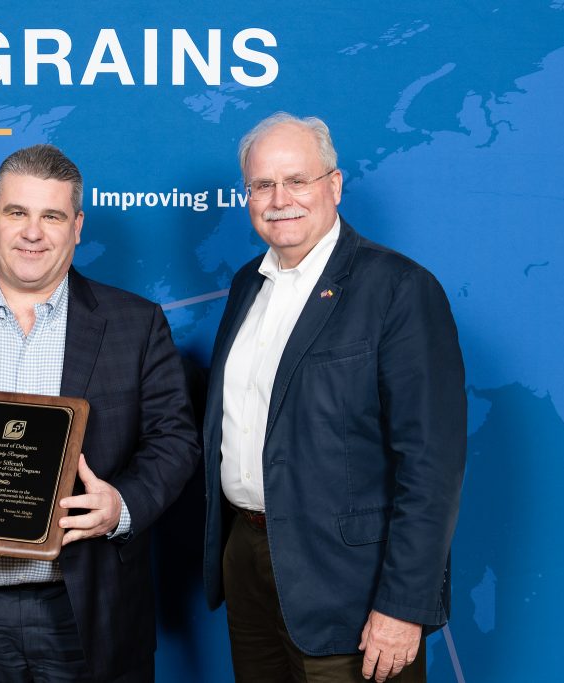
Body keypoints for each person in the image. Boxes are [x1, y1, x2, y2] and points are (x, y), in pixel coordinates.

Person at [0, 144, 200, 682]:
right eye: (17, 212)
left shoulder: (135, 322)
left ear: (76, 227)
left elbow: (175, 439)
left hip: (85, 608)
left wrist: (121, 505)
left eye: (52, 216)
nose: (32, 233)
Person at [202, 113, 466, 683]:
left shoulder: (398, 288)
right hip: (248, 562)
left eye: (297, 180)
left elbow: (432, 464)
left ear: (334, 184)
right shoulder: (248, 284)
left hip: (350, 584)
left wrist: (404, 605)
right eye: (262, 185)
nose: (280, 200)